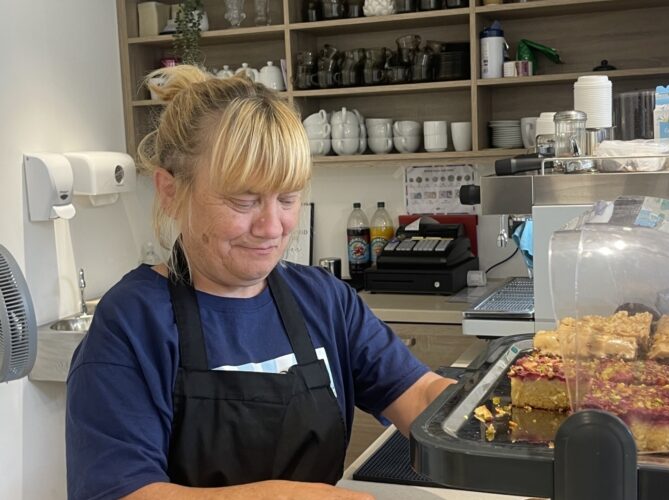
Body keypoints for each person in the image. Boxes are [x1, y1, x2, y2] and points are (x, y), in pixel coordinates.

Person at [65, 65, 454, 500]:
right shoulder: (132, 324)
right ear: (171, 192)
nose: (272, 227)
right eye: (244, 200)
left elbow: (419, 396)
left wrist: (486, 412)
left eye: (287, 198)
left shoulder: (325, 300)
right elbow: (122, 492)